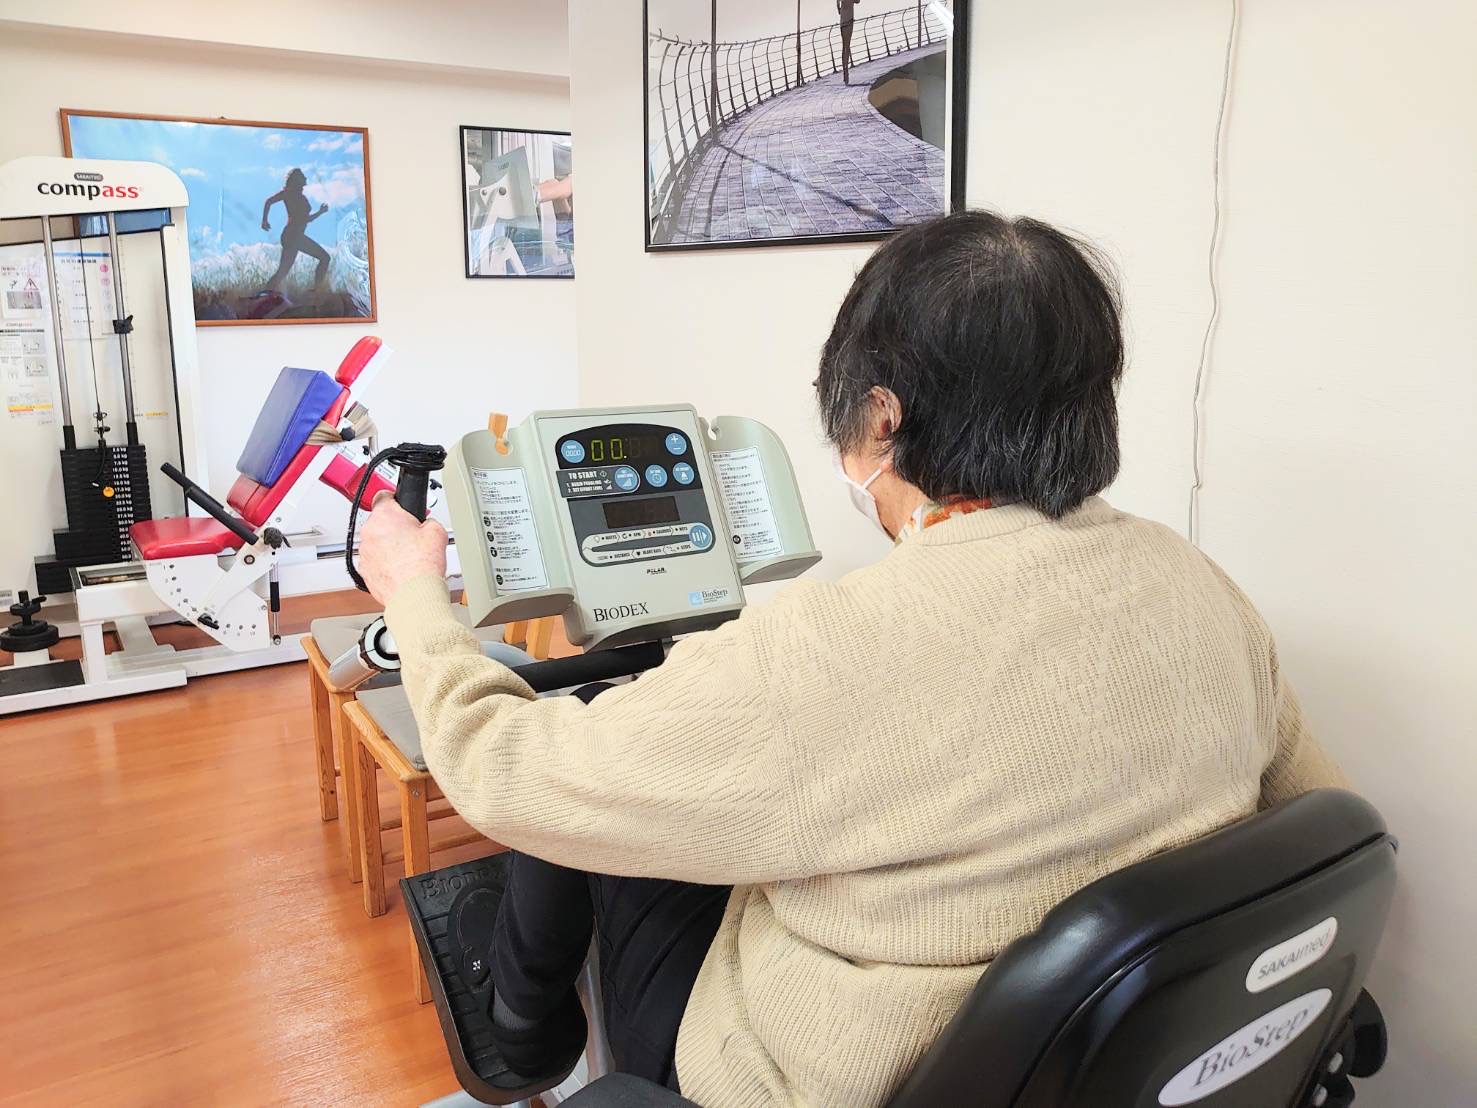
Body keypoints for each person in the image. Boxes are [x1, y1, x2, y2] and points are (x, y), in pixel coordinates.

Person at [356, 211, 1348, 1107]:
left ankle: (520, 1037)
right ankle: (523, 1028)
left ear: (880, 418)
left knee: (583, 787)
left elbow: (496, 766)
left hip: (819, 1073)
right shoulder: (1198, 583)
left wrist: (414, 594)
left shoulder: (827, 650)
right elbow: (1313, 811)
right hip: (1096, 1062)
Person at [260, 167, 330, 293]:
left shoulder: (302, 198)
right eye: (302, 176)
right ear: (297, 180)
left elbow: (307, 219)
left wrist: (320, 212)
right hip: (292, 235)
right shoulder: (288, 193)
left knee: (283, 271)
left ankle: (265, 293)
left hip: (295, 236)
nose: (305, 178)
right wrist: (264, 220)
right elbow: (268, 201)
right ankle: (317, 290)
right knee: (325, 258)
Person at [839, 0, 861, 84]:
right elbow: (858, 1)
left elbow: (838, 6)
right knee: (847, 47)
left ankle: (844, 71)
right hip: (849, 21)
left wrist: (840, 9)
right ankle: (846, 72)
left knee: (844, 47)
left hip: (842, 22)